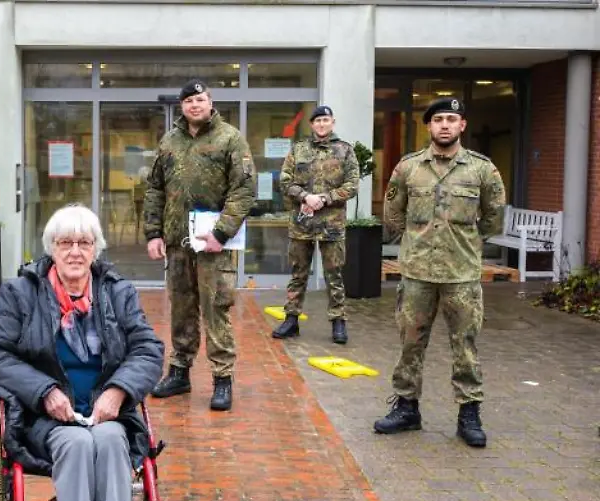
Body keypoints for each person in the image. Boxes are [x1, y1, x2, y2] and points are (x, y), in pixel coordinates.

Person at [0, 205, 163, 501]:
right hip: (46, 420)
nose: (75, 251)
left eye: (84, 242)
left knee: (110, 442)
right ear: (51, 248)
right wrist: (44, 391)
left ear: (95, 249)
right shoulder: (20, 293)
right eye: (66, 242)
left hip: (107, 414)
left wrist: (118, 392)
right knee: (76, 445)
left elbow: (148, 349)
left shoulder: (117, 292)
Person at [374, 97, 506, 448]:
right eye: (438, 120)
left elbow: (493, 218)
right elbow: (393, 213)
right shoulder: (408, 168)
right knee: (410, 344)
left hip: (461, 275)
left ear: (462, 125)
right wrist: (416, 241)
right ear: (428, 126)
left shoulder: (481, 170)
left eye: (451, 119)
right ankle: (406, 408)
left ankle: (469, 413)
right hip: (417, 273)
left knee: (465, 345)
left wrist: (465, 242)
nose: (444, 125)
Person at [143, 79, 256, 411]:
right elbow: (155, 190)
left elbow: (244, 189)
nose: (195, 105)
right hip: (178, 243)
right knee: (181, 308)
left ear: (211, 102)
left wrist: (221, 233)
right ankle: (179, 372)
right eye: (189, 100)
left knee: (215, 309)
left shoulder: (230, 139)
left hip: (213, 245)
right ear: (182, 106)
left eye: (200, 99)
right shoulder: (169, 141)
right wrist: (153, 233)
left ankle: (222, 379)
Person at [273, 105, 359, 344]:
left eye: (326, 120)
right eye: (318, 120)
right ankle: (291, 319)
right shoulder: (298, 149)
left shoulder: (345, 151)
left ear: (333, 122)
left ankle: (338, 321)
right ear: (312, 124)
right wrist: (304, 196)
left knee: (334, 275)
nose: (322, 124)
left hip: (332, 225)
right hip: (303, 224)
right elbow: (285, 182)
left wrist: (325, 198)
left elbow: (352, 185)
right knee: (298, 273)